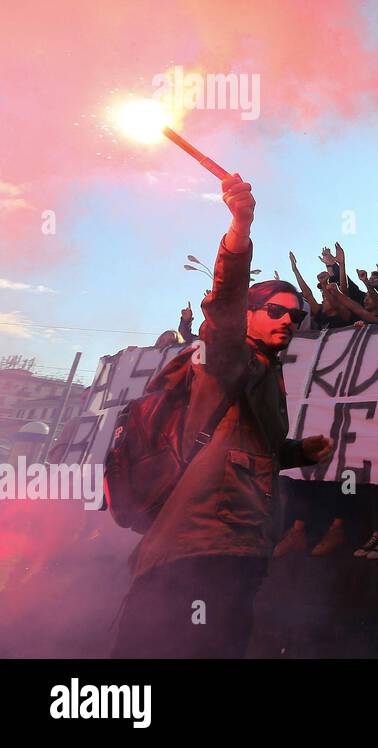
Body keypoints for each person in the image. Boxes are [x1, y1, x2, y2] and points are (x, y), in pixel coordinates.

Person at [112, 174, 334, 658]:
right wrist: (240, 227)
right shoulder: (225, 359)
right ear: (249, 315)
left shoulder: (268, 377)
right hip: (195, 550)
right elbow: (224, 310)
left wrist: (298, 451)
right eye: (275, 310)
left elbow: (258, 453)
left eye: (296, 318)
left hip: (241, 551)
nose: (287, 322)